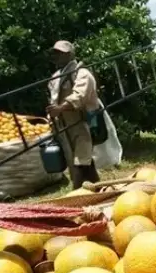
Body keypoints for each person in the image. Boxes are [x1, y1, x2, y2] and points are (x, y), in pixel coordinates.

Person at [47, 40, 101, 189]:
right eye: (55, 53)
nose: (56, 56)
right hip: (63, 125)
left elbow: (79, 96)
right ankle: (96, 187)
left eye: (60, 53)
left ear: (70, 55)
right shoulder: (56, 77)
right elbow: (52, 99)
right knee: (75, 160)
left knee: (81, 159)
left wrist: (60, 108)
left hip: (81, 121)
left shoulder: (81, 73)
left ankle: (77, 191)